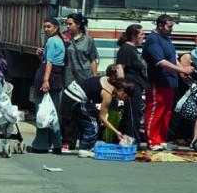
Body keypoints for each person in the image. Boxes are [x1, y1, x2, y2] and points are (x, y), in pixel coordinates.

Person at [143, 14, 194, 151]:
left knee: (166, 111)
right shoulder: (153, 40)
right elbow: (160, 62)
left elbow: (173, 58)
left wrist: (183, 71)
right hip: (158, 80)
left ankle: (161, 138)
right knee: (155, 109)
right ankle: (152, 140)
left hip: (170, 81)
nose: (171, 29)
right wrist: (181, 69)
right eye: (169, 26)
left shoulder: (167, 39)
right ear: (160, 25)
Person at [60, 64, 135, 157]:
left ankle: (86, 144)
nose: (124, 100)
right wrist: (117, 132)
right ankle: (86, 148)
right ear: (122, 91)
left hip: (71, 93)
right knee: (93, 123)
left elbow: (119, 68)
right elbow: (102, 117)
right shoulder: (107, 94)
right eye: (125, 97)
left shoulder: (110, 80)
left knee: (92, 117)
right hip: (75, 97)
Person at [31, 18, 66, 154]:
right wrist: (40, 55)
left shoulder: (51, 41)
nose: (46, 29)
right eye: (44, 27)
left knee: (42, 112)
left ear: (56, 28)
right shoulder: (60, 41)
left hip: (48, 76)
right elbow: (49, 60)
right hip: (56, 77)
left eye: (49, 27)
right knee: (52, 112)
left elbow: (49, 62)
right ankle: (56, 143)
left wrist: (45, 80)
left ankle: (41, 145)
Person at [115, 24, 148, 146]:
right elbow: (119, 67)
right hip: (130, 86)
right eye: (141, 34)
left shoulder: (133, 49)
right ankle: (132, 142)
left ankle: (120, 141)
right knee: (132, 115)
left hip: (137, 86)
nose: (143, 36)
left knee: (133, 114)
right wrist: (123, 87)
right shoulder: (125, 49)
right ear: (134, 36)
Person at [63, 13, 98, 87]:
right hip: (69, 78)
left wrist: (95, 79)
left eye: (70, 24)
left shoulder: (88, 40)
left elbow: (92, 60)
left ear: (78, 25)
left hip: (85, 77)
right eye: (67, 24)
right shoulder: (64, 39)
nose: (67, 26)